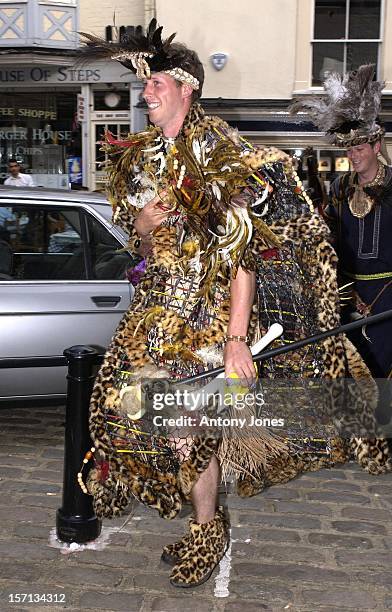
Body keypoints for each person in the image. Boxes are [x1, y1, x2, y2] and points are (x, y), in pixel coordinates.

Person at [78, 28, 391, 588]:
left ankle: (206, 528)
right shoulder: (143, 158)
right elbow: (146, 253)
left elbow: (243, 255)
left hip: (207, 314)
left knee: (185, 428)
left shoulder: (220, 156)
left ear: (185, 90)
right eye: (144, 84)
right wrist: (145, 231)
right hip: (151, 312)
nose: (145, 93)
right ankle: (200, 517)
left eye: (154, 83)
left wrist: (236, 338)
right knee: (120, 412)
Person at [291, 64, 391, 423]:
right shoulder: (339, 188)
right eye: (349, 148)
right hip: (348, 292)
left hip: (389, 293)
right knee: (354, 363)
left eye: (360, 147)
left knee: (382, 366)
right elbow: (328, 236)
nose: (354, 154)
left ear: (376, 144)